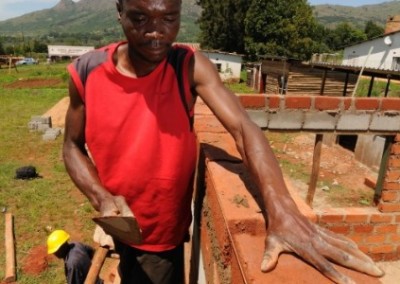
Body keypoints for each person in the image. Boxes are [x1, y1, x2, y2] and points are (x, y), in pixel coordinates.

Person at [62, 0, 384, 283]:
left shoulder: (185, 67)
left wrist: (282, 209)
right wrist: (101, 197)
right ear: (119, 12)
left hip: (160, 240)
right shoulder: (87, 73)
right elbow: (71, 146)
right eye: (140, 18)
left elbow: (243, 129)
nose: (156, 32)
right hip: (118, 222)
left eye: (169, 18)